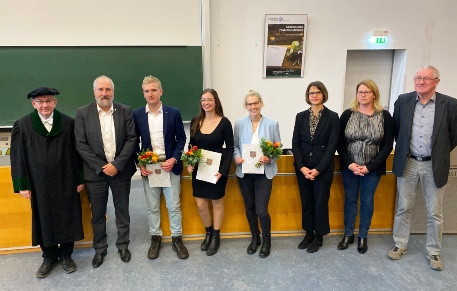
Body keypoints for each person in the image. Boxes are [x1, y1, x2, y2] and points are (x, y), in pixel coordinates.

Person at [388, 65, 457, 271]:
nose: (421, 82)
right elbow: (398, 129)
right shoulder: (403, 101)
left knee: (435, 211)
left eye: (426, 79)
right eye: (418, 78)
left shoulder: (451, 104)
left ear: (436, 81)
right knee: (403, 207)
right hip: (408, 162)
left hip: (433, 164)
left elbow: (453, 136)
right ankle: (400, 244)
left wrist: (438, 153)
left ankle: (433, 251)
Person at [10, 87, 84, 278]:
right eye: (40, 101)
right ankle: (49, 256)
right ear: (33, 104)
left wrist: (79, 180)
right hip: (38, 182)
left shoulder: (67, 124)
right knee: (43, 216)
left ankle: (67, 255)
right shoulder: (23, 125)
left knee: (67, 214)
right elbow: (17, 157)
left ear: (55, 102)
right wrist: (22, 184)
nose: (45, 105)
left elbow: (77, 156)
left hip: (65, 179)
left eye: (49, 101)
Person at [75, 75, 137, 268]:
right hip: (95, 174)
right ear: (94, 92)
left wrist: (116, 164)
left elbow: (132, 139)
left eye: (107, 90)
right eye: (100, 90)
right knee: (98, 214)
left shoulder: (125, 111)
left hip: (121, 171)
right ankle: (100, 249)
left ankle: (123, 245)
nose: (104, 93)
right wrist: (103, 166)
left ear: (113, 92)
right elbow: (81, 144)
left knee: (122, 210)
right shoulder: (83, 113)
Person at [132, 75, 188, 260]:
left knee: (174, 206)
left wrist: (174, 158)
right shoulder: (138, 114)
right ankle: (155, 238)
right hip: (150, 168)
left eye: (154, 90)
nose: (150, 94)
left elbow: (181, 138)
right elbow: (133, 142)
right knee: (152, 206)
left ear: (160, 91)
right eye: (147, 91)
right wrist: (139, 162)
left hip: (169, 166)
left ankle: (176, 239)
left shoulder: (173, 112)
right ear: (143, 93)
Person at [337, 79, 394, 254]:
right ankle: (348, 234)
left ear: (374, 94)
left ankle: (363, 236)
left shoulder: (384, 116)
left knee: (367, 200)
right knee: (350, 199)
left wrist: (370, 166)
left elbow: (387, 145)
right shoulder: (347, 114)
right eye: (360, 92)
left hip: (372, 169)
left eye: (366, 92)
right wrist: (349, 164)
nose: (363, 95)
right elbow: (339, 142)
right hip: (350, 167)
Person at [292, 81, 339, 253]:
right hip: (303, 168)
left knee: (320, 203)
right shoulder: (300, 116)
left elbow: (332, 145)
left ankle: (319, 236)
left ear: (323, 94)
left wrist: (318, 169)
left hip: (323, 169)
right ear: (308, 96)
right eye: (311, 93)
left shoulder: (332, 117)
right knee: (306, 202)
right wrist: (301, 167)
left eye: (318, 92)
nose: (314, 95)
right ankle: (309, 233)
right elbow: (295, 143)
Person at [233, 90, 281, 258]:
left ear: (261, 103)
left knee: (261, 210)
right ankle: (255, 238)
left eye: (255, 103)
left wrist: (270, 158)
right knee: (250, 207)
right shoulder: (239, 124)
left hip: (264, 173)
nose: (253, 106)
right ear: (246, 106)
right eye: (249, 104)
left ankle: (267, 240)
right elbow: (235, 146)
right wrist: (237, 157)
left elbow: (277, 147)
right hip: (245, 172)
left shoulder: (272, 123)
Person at [187, 88, 234, 256]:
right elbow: (191, 146)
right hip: (199, 168)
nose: (206, 103)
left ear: (216, 102)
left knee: (216, 202)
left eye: (209, 100)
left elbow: (230, 148)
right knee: (201, 204)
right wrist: (189, 163)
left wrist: (223, 170)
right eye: (203, 100)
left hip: (216, 169)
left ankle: (216, 235)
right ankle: (208, 233)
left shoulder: (224, 122)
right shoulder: (195, 120)